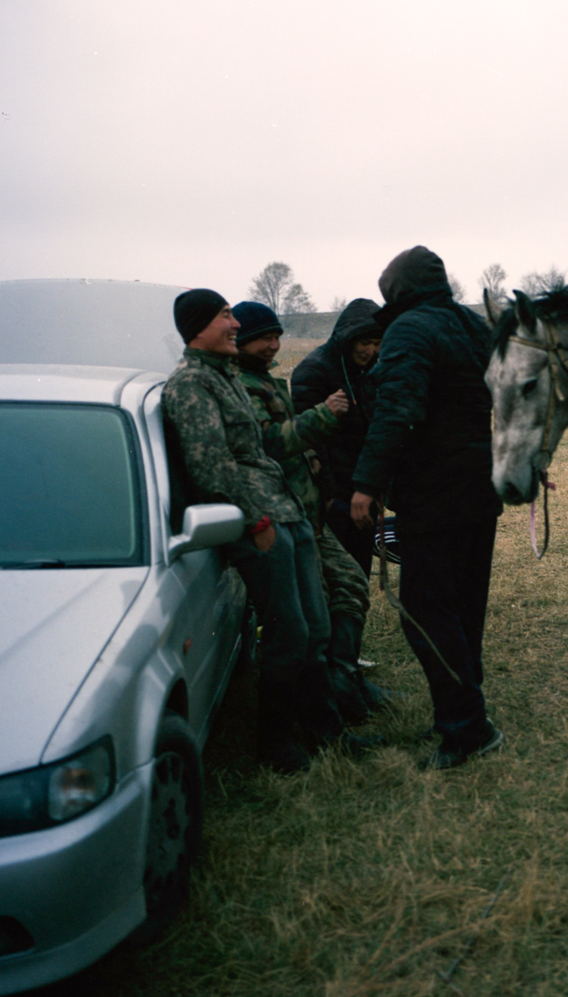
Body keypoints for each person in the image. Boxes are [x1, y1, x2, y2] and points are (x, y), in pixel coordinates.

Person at [161, 288, 379, 773]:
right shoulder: (191, 385)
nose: (235, 324)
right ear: (198, 327)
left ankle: (327, 734)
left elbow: (259, 450)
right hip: (263, 521)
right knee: (288, 634)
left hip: (289, 511)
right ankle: (277, 745)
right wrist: (255, 520)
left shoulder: (224, 375)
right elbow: (211, 467)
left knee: (315, 628)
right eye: (225, 316)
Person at [349, 247, 504, 770]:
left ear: (397, 291)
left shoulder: (410, 330)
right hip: (482, 488)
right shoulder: (474, 326)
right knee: (463, 609)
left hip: (434, 495)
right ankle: (465, 712)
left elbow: (398, 409)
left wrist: (367, 483)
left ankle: (466, 727)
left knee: (426, 613)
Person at [231, 300, 394, 724]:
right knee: (312, 615)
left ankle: (345, 682)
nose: (273, 345)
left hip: (317, 505)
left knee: (350, 586)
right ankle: (319, 712)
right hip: (302, 510)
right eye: (264, 338)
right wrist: (336, 491)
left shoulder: (270, 381)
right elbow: (281, 443)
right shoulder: (300, 375)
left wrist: (367, 484)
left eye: (277, 336)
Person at [291, 299, 382, 576]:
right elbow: (311, 443)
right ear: (348, 337)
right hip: (331, 497)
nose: (371, 350)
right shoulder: (314, 371)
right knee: (334, 577)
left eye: (377, 343)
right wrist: (330, 497)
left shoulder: (369, 372)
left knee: (359, 571)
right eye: (365, 342)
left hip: (362, 490)